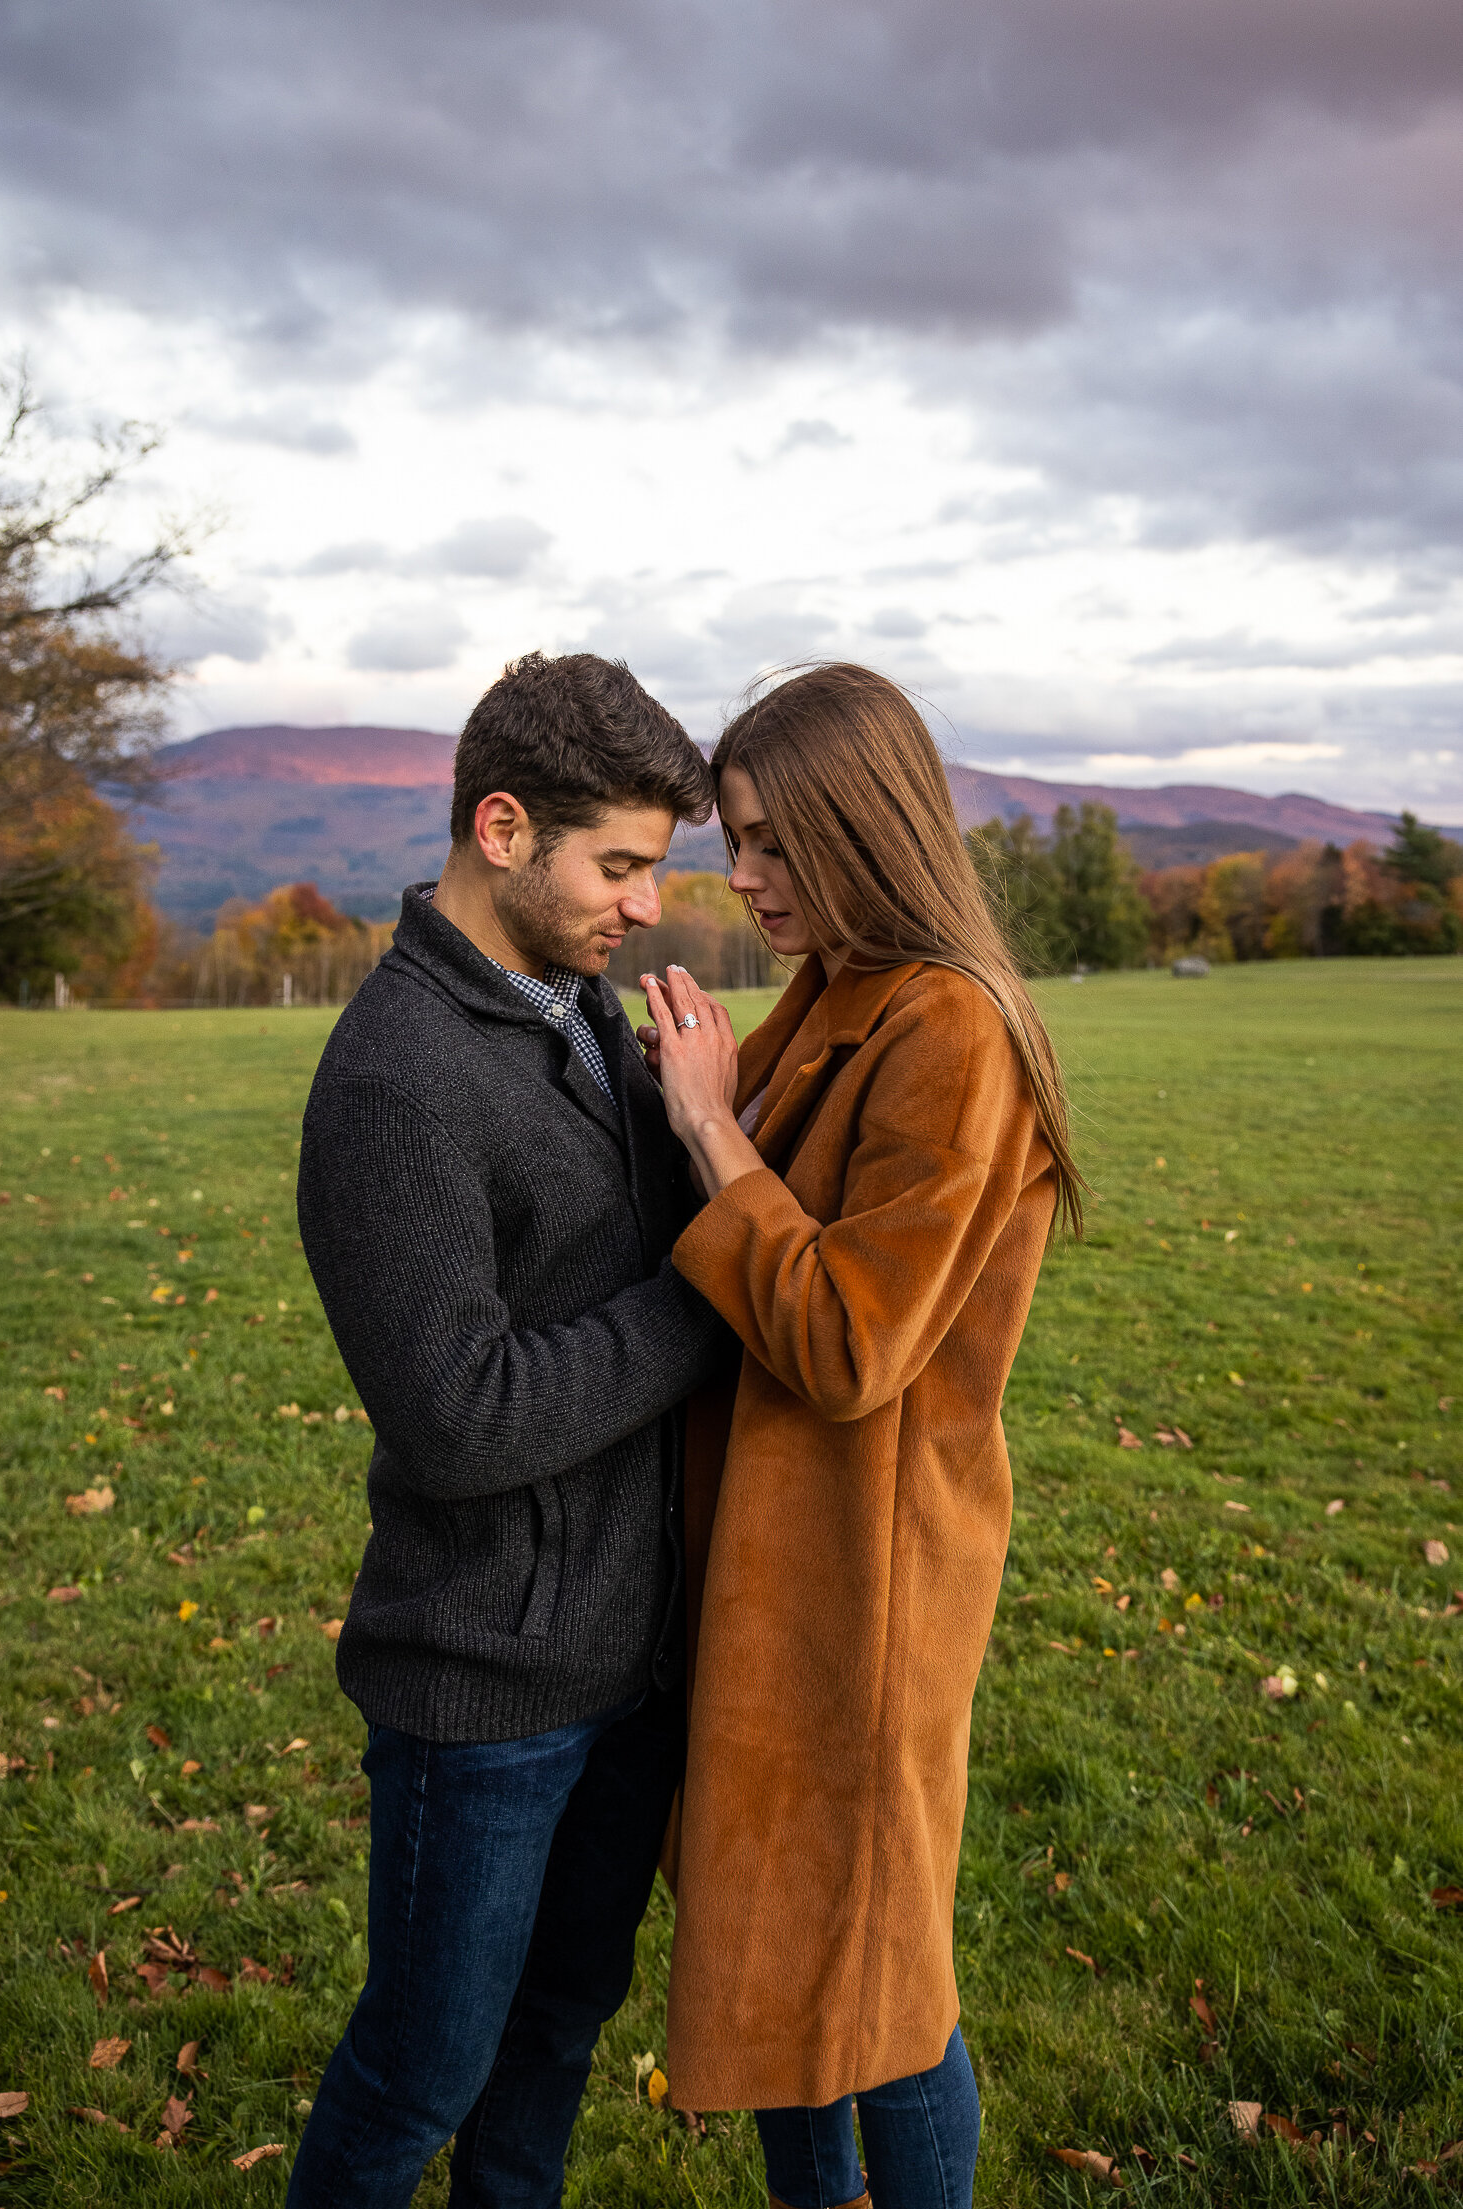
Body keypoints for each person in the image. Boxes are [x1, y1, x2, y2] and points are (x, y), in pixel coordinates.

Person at [289, 650, 732, 2209]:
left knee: (555, 2039)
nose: (646, 903)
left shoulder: (589, 1016)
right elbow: (462, 1416)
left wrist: (710, 1125)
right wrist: (711, 1295)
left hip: (632, 1666)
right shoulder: (395, 1080)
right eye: (618, 864)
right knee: (419, 2074)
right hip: (482, 1694)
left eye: (654, 867)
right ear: (499, 828)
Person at [638, 662, 1083, 2209]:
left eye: (769, 842)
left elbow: (847, 1339)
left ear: (860, 825)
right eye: (733, 840)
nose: (742, 876)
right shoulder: (844, 984)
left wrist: (711, 1125)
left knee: (881, 1973)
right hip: (782, 1551)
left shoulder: (951, 1027)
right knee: (778, 1951)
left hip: (874, 1571)